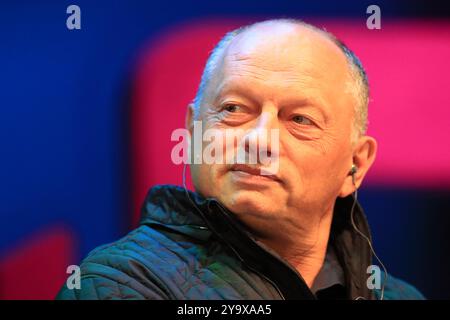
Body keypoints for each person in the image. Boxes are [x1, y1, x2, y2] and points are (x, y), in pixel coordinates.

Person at [57, 19, 424, 300]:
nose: (259, 139)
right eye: (233, 109)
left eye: (300, 119)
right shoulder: (118, 284)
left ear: (355, 164)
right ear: (193, 131)